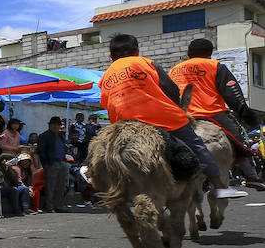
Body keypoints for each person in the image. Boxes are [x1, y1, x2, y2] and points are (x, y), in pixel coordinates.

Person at [98, 33, 244, 200]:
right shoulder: (146, 63)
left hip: (124, 124)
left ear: (111, 56)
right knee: (197, 146)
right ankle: (219, 186)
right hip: (161, 118)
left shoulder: (105, 77)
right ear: (137, 51)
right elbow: (171, 89)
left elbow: (105, 102)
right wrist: (176, 106)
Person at [169, 38, 263, 189]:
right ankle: (251, 175)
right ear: (210, 54)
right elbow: (232, 94)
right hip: (212, 113)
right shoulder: (215, 66)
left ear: (189, 53)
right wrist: (247, 115)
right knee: (237, 140)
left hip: (182, 116)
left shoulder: (174, 69)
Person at [36, 117, 70, 212]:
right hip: (51, 163)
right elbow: (41, 151)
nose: (56, 126)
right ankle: (49, 206)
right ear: (49, 125)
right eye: (54, 124)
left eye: (58, 125)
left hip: (62, 162)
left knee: (61, 186)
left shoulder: (61, 136)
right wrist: (46, 164)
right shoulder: (44, 136)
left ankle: (59, 205)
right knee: (50, 186)